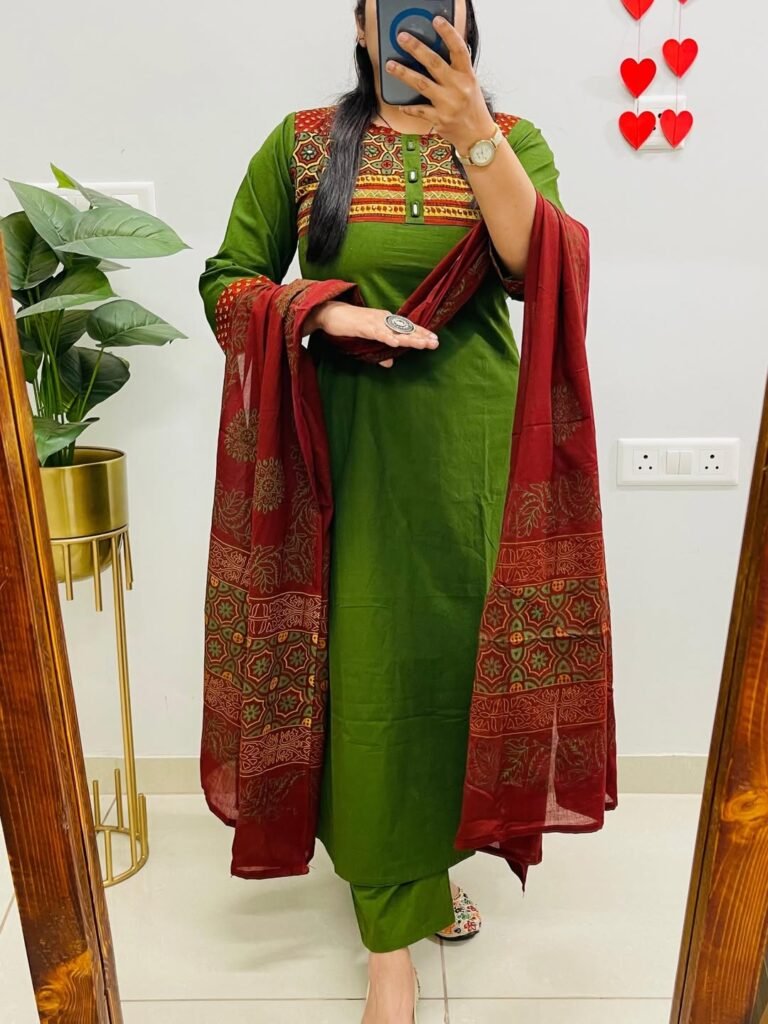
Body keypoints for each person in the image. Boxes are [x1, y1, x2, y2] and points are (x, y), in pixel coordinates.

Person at [199, 2, 570, 1021]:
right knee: (365, 674)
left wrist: (474, 132)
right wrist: (324, 310)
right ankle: (388, 944)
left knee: (456, 671)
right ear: (362, 28)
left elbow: (539, 272)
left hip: (471, 453)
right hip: (344, 450)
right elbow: (229, 283)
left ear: (466, 20)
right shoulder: (304, 144)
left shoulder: (515, 138)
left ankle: (424, 865)